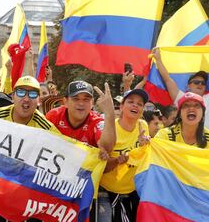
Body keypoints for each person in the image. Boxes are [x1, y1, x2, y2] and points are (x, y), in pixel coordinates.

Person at [0, 76, 60, 222]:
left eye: (32, 94)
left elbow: (65, 157)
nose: (26, 98)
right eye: (21, 93)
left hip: (30, 201)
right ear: (12, 96)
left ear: (38, 101)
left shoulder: (48, 130)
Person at [100, 89, 150, 222]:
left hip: (134, 191)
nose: (135, 105)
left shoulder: (143, 126)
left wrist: (146, 146)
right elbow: (101, 165)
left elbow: (144, 160)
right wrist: (116, 160)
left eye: (140, 104)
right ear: (121, 106)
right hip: (109, 193)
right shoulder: (110, 128)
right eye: (131, 102)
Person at [46, 80, 116, 152]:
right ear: (65, 102)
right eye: (76, 99)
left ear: (92, 103)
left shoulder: (97, 122)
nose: (81, 103)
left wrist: (109, 113)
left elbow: (107, 149)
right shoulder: (54, 115)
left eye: (86, 99)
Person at [152, 48, 209, 127]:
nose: (200, 84)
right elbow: (167, 79)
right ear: (188, 86)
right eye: (196, 82)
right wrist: (158, 60)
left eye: (203, 83)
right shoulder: (182, 98)